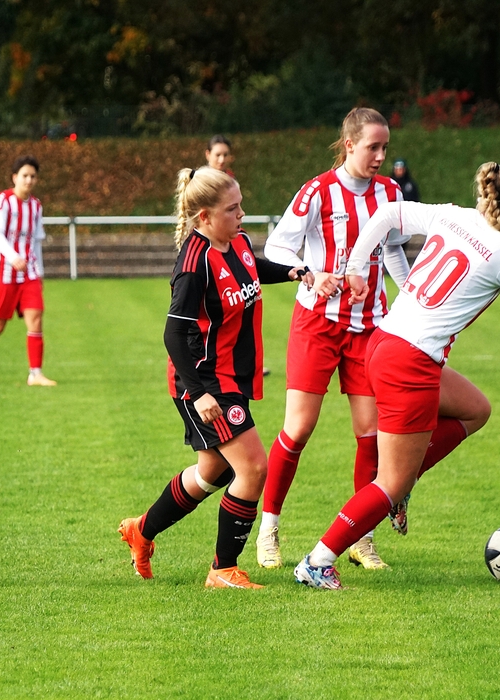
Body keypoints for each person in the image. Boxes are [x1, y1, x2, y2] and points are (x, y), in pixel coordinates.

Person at [293, 163, 500, 589]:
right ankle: (317, 562)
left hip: (384, 342)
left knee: (475, 409)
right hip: (410, 363)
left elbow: (386, 215)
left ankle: (403, 484)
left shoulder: (454, 215)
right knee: (388, 482)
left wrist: (356, 266)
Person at [118, 166, 310, 589]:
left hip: (231, 377)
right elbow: (173, 334)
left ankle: (141, 530)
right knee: (253, 468)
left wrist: (293, 272)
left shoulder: (235, 241)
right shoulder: (194, 263)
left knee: (214, 471)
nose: (241, 215)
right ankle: (223, 569)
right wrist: (199, 393)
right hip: (206, 382)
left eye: (241, 206)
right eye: (232, 209)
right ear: (204, 216)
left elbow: (251, 268)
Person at [255, 107, 411, 571]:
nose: (380, 156)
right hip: (318, 324)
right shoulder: (318, 191)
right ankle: (268, 528)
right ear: (349, 145)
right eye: (372, 147)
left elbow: (394, 253)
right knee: (299, 428)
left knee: (370, 434)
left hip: (370, 328)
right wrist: (310, 272)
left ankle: (362, 537)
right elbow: (276, 246)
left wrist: (412, 299)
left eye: (385, 148)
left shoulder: (390, 193)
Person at [0, 155, 56, 387]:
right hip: (2, 272)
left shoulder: (36, 206)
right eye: (25, 176)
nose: (29, 180)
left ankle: (35, 373)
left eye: (33, 176)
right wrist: (13, 257)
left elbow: (36, 241)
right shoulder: (2, 201)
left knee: (35, 319)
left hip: (29, 274)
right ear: (14, 177)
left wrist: (40, 272)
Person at [203, 134, 271, 377]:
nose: (221, 159)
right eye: (217, 154)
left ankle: (247, 360)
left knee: (246, 303)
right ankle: (210, 365)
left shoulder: (231, 180)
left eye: (225, 155)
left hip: (231, 245)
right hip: (214, 254)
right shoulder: (200, 183)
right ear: (207, 155)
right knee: (219, 310)